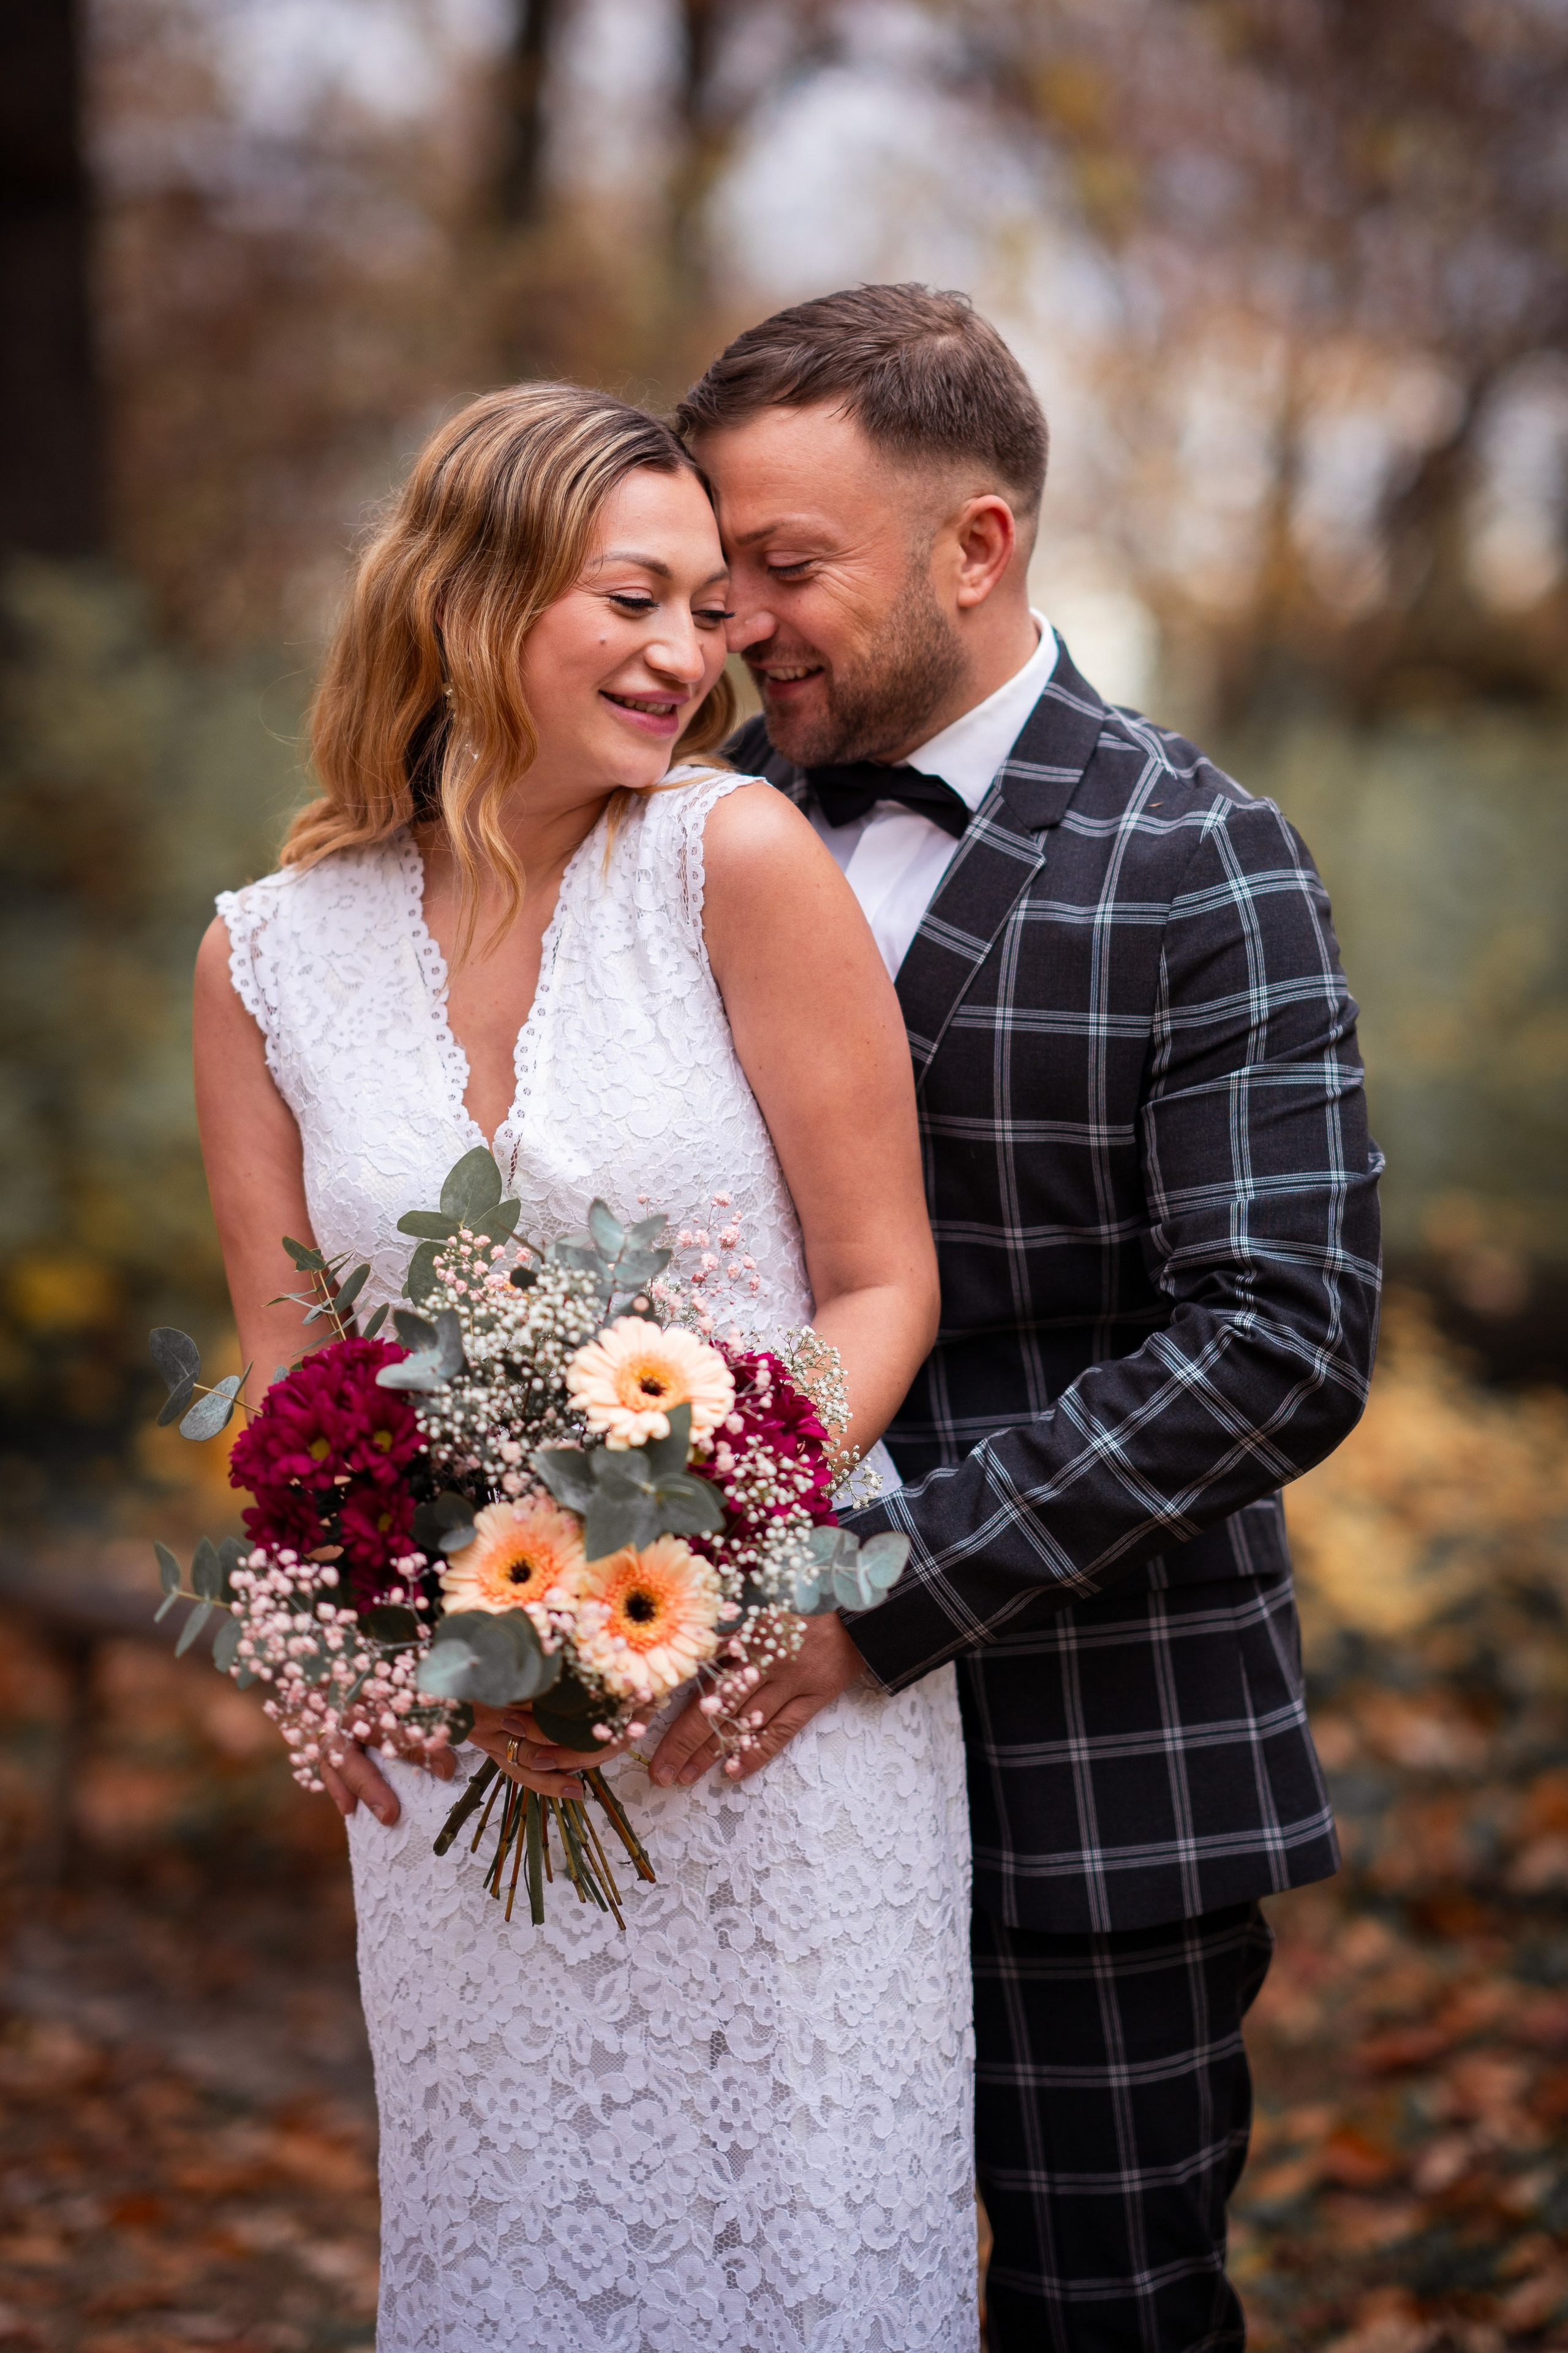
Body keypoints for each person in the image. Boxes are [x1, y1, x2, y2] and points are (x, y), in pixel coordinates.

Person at [193, 382, 979, 2351]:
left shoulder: (735, 863)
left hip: (765, 1700)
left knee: (802, 2256)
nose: (685, 653)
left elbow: (884, 1282)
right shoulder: (263, 960)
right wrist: (340, 1620)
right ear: (467, 598)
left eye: (710, 606)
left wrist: (714, 1557)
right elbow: (293, 1377)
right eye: (633, 596)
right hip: (478, 1747)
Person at [650, 284, 1384, 2351]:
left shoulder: (1205, 858)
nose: (742, 627)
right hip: (743, 1780)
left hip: (1105, 1770)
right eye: (720, 577)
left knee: (1106, 2314)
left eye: (787, 569)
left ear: (977, 545)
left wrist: (870, 1592)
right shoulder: (678, 835)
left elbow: (1279, 1337)